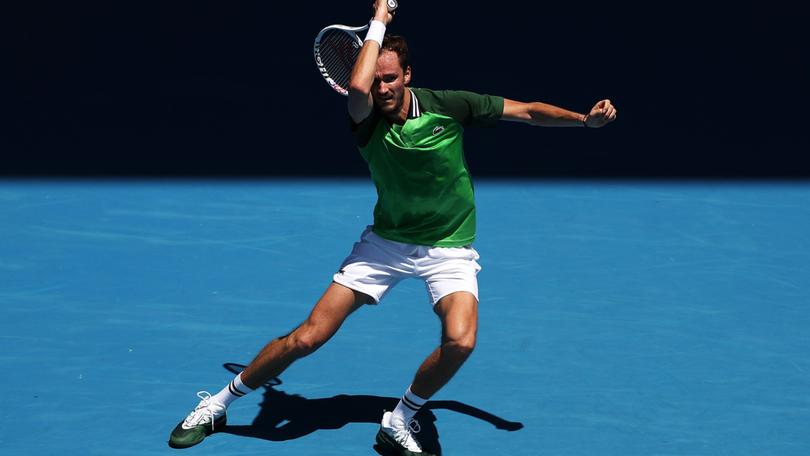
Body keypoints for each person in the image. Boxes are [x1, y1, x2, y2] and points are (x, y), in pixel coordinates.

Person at [168, 0, 617, 454]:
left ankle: (399, 419)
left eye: (390, 78)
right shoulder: (365, 120)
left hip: (449, 248)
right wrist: (379, 19)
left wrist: (583, 120)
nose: (380, 87)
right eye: (375, 80)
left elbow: (527, 111)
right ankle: (217, 405)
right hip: (385, 247)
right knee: (308, 337)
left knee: (460, 342)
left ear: (407, 75)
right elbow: (358, 84)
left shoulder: (451, 105)